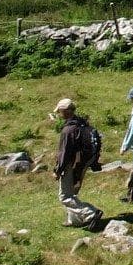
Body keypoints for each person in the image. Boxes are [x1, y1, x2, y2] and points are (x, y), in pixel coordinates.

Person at [52, 97, 102, 227]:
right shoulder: (82, 124)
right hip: (82, 163)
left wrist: (58, 170)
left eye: (60, 111)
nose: (59, 114)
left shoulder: (68, 130)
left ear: (65, 111)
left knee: (65, 196)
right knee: (71, 193)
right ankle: (75, 220)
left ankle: (91, 213)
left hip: (70, 164)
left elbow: (64, 152)